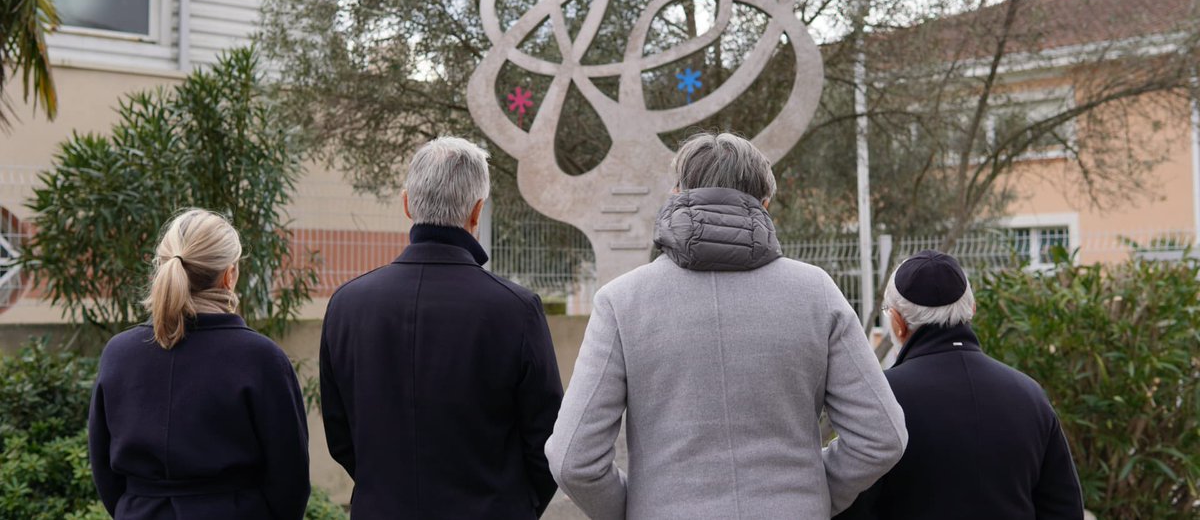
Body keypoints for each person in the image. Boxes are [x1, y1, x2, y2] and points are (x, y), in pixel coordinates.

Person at [546, 132, 908, 520]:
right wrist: (812, 496)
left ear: (675, 194)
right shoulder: (816, 293)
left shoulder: (621, 301)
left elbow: (573, 459)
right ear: (765, 204)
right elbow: (881, 436)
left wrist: (636, 509)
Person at [320, 136, 564, 519]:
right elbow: (546, 439)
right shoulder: (516, 310)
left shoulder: (347, 305)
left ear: (406, 204)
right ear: (476, 211)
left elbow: (341, 435)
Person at [88, 209, 310, 520]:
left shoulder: (118, 354)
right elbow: (291, 478)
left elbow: (102, 467)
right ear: (228, 275)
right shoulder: (261, 358)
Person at [836, 250, 1084, 520]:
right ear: (972, 310)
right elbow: (1064, 508)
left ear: (897, 323)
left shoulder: (882, 397)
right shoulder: (1029, 395)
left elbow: (849, 502)